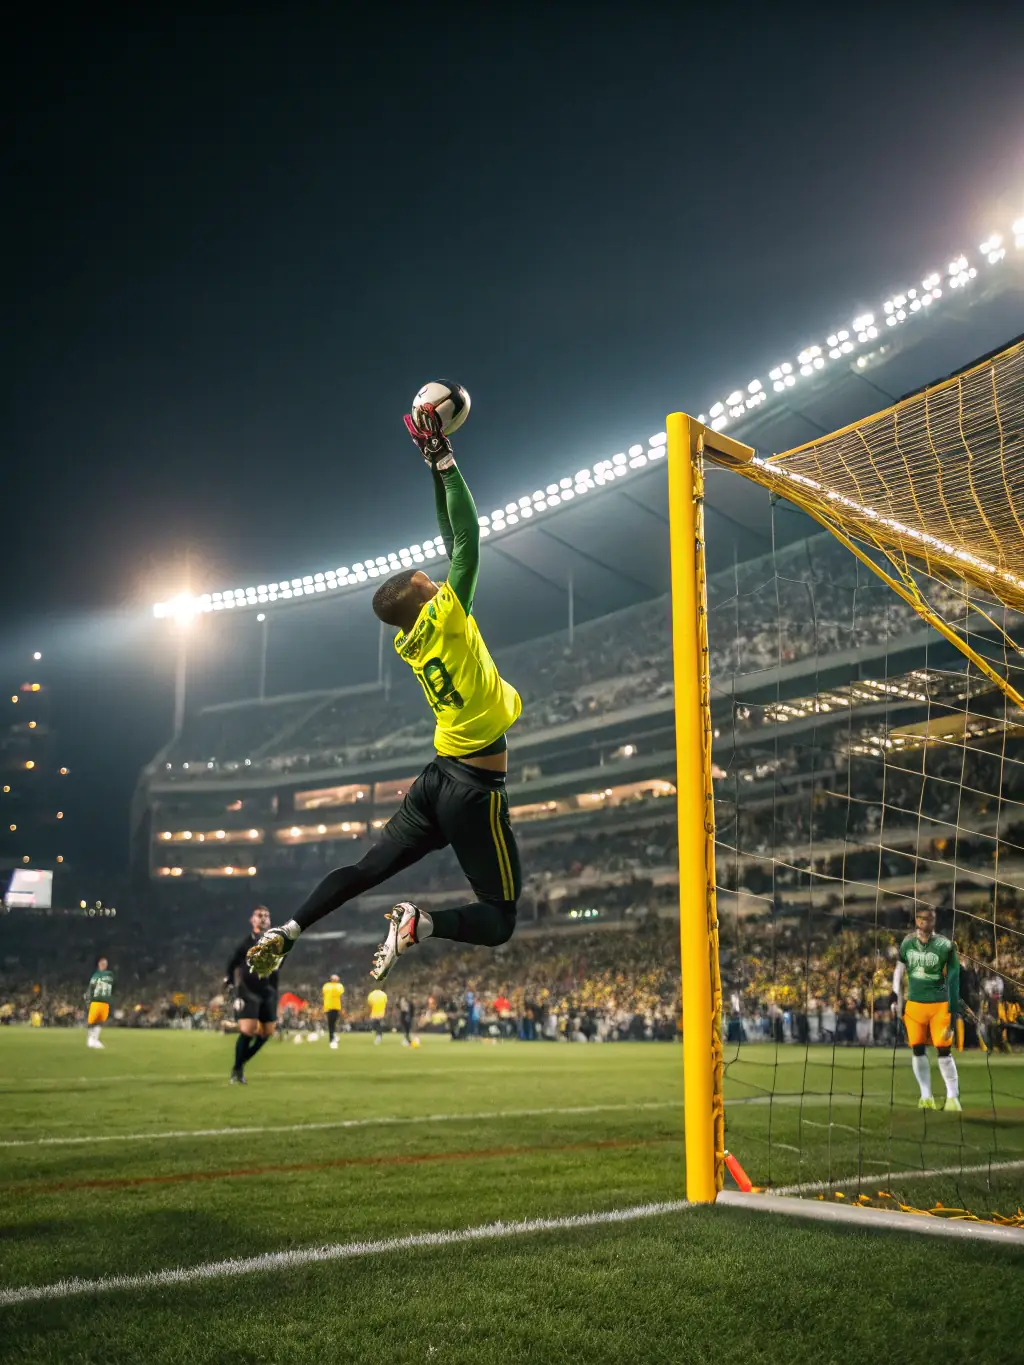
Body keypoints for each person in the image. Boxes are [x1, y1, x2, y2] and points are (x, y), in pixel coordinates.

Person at [247, 400, 523, 984]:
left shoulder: (417, 634)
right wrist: (446, 461)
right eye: (431, 581)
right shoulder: (449, 615)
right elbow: (467, 535)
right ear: (429, 599)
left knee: (367, 867)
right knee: (499, 920)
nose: (438, 575)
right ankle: (421, 924)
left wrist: (430, 463)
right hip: (473, 787)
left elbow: (450, 538)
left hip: (438, 779)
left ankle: (290, 928)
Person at [893, 906, 962, 1112]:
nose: (925, 923)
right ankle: (926, 1096)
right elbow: (899, 970)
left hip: (939, 1004)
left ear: (934, 921)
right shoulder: (906, 943)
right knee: (917, 1049)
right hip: (914, 1005)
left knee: (944, 1049)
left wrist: (954, 1006)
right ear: (916, 920)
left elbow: (954, 977)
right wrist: (894, 995)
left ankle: (952, 1097)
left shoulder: (946, 945)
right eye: (921, 919)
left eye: (929, 919)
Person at [225, 906, 280, 1084]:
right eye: (259, 915)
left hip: (268, 992)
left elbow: (278, 967)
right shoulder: (246, 943)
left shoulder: (276, 943)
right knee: (248, 1031)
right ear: (252, 920)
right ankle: (237, 1069)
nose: (263, 918)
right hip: (248, 990)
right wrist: (231, 984)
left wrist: (275, 989)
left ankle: (240, 1063)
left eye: (266, 915)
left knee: (267, 1033)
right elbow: (231, 964)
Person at [85, 957, 115, 1048]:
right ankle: (90, 1039)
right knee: (92, 1021)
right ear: (99, 964)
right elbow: (91, 988)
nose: (103, 965)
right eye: (102, 964)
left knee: (100, 1022)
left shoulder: (110, 974)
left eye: (105, 964)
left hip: (105, 1002)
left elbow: (113, 987)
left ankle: (95, 1039)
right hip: (96, 1001)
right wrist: (88, 1000)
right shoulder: (96, 975)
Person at [322, 974, 344, 1050]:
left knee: (333, 1023)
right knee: (331, 1023)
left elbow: (339, 992)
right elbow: (335, 991)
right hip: (329, 1007)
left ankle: (333, 1036)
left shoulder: (338, 986)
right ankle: (331, 1040)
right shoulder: (327, 986)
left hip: (336, 1007)